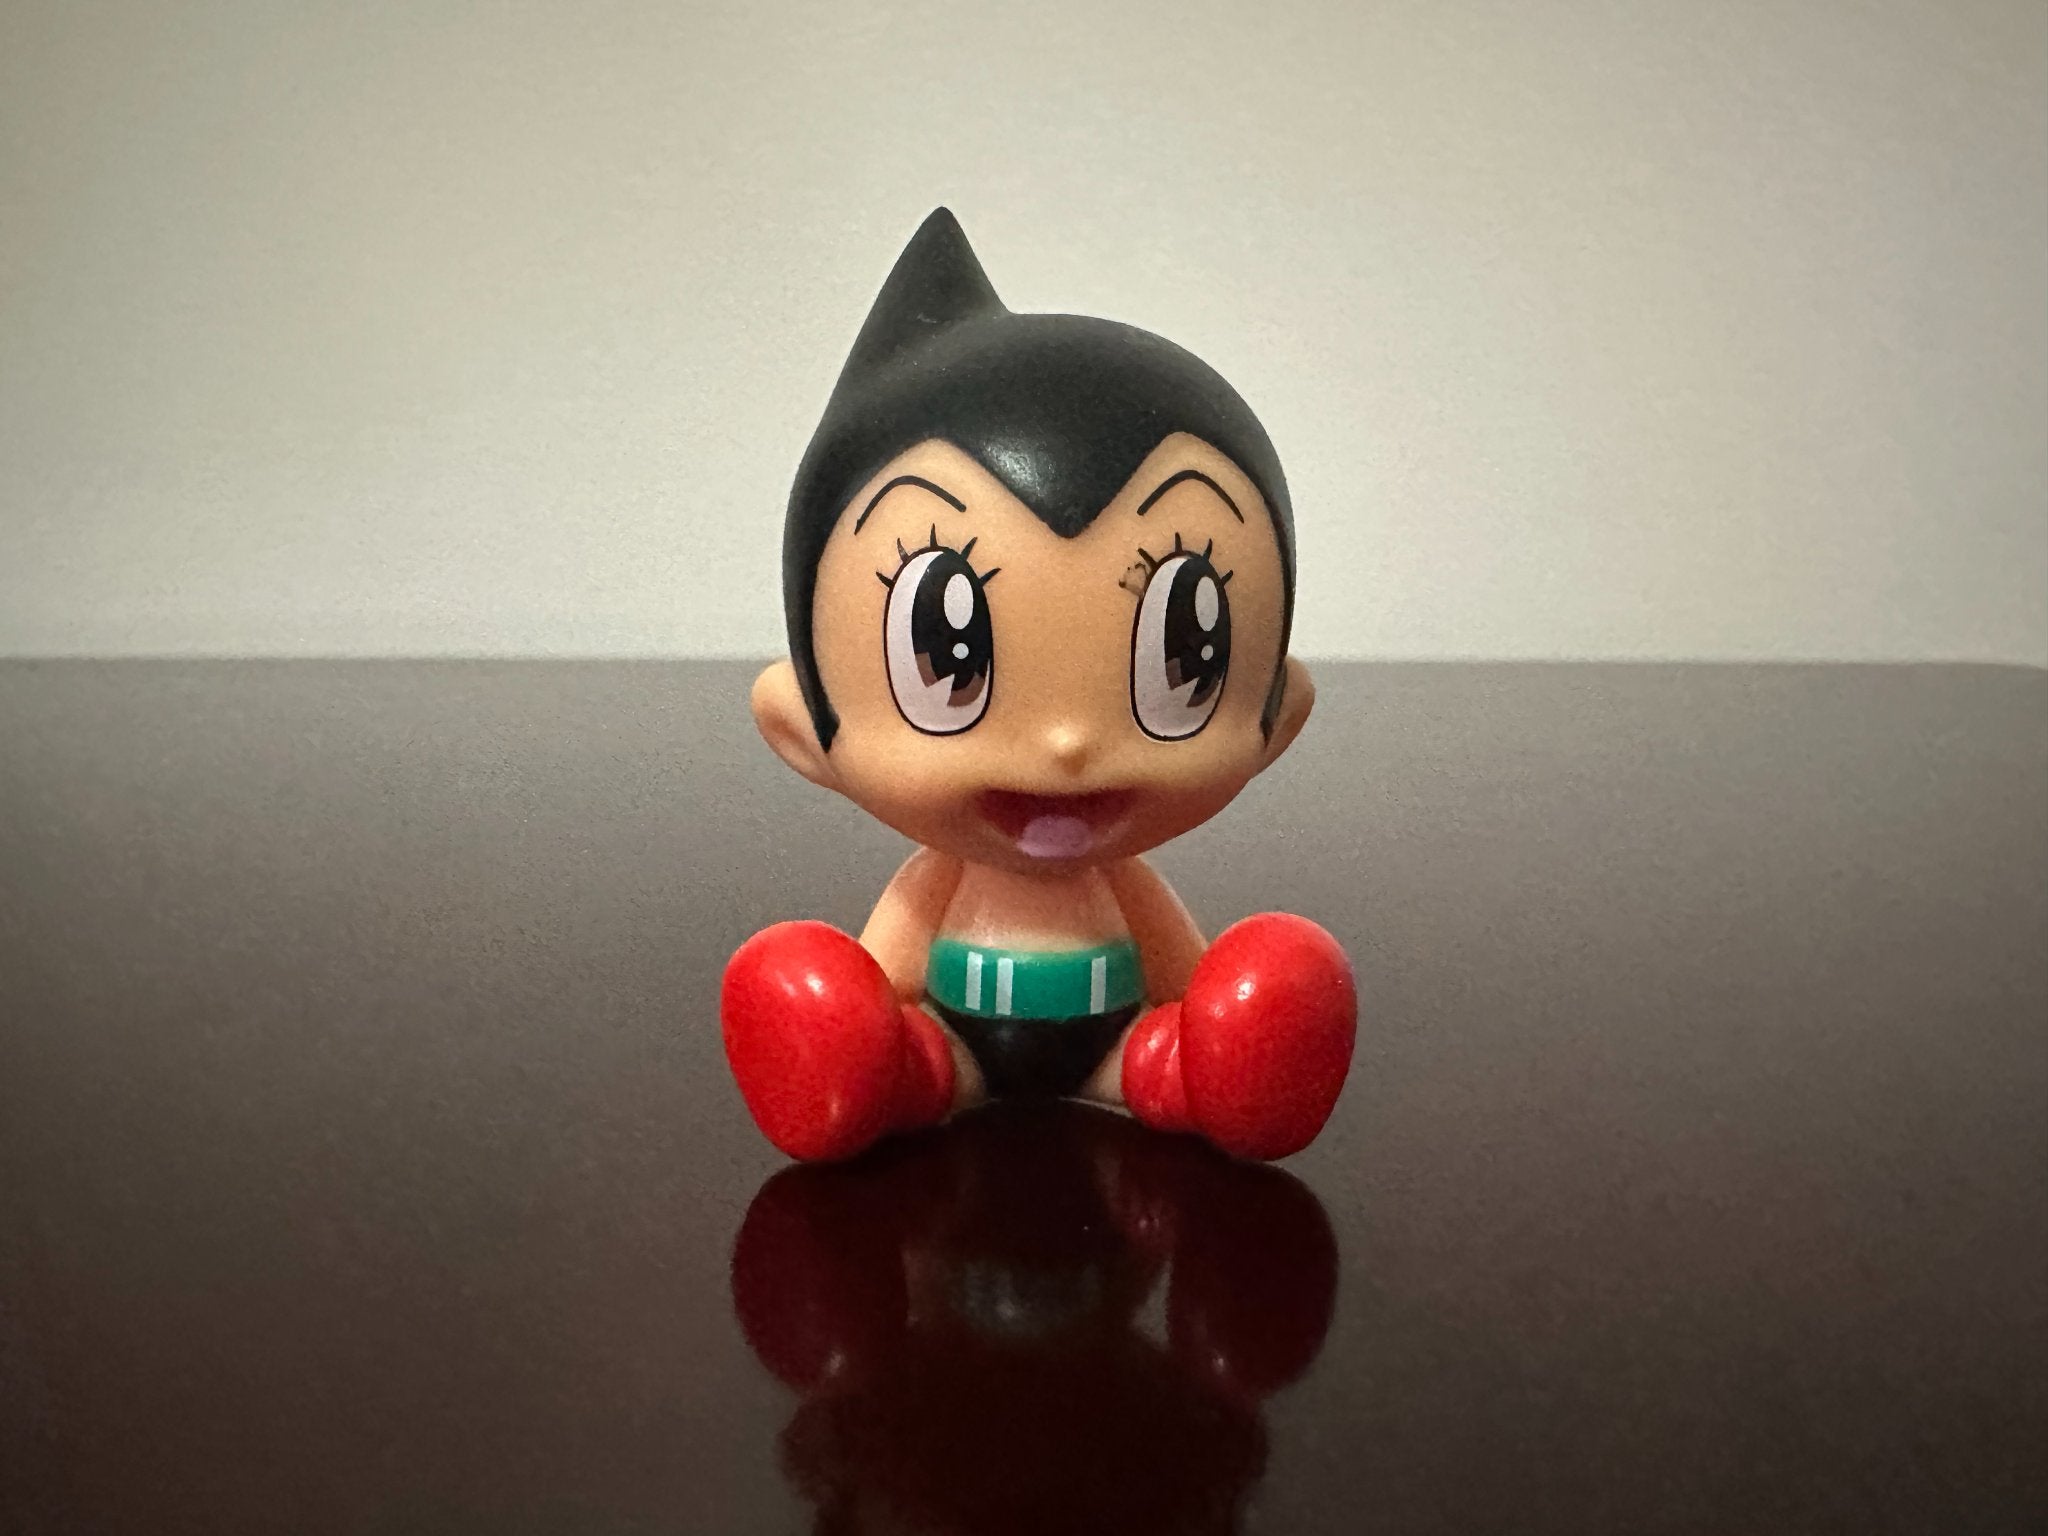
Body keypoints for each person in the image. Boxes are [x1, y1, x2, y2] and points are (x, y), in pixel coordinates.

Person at [722, 209, 1356, 1161]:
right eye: (948, 658)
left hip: (1114, 1050)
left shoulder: (1126, 886)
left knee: (1178, 1048)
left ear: (1278, 718)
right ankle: (878, 1073)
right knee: (895, 1044)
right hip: (958, 1048)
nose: (1066, 747)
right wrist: (851, 1018)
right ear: (801, 729)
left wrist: (1229, 1019)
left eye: (1184, 658)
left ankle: (1200, 1075)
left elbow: (1183, 978)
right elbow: (885, 975)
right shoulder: (935, 885)